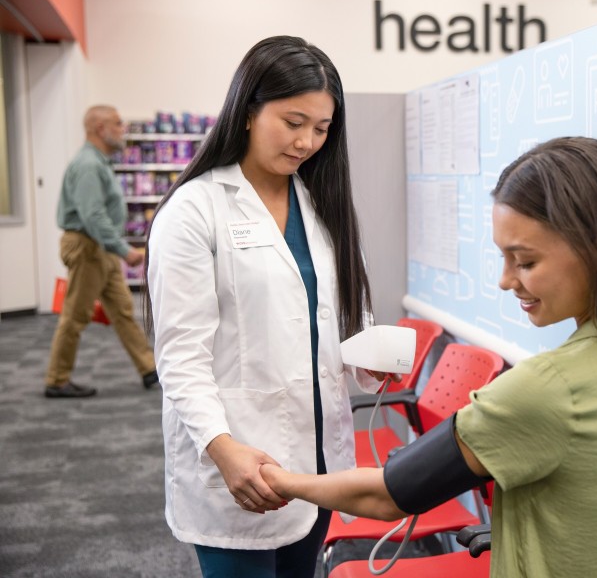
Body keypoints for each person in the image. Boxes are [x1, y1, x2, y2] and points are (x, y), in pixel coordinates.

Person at [260, 137, 597, 577]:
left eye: (526, 261)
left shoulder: (551, 388)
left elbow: (385, 496)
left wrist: (282, 480)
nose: (505, 279)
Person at [145, 36, 395, 578]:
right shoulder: (194, 212)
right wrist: (222, 447)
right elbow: (181, 358)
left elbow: (341, 318)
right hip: (239, 459)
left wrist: (365, 358)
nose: (307, 141)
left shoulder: (321, 207)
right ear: (248, 111)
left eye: (322, 129)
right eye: (293, 121)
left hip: (319, 463)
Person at [44, 105, 158, 398]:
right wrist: (125, 251)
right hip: (88, 247)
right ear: (99, 128)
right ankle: (57, 380)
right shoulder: (89, 166)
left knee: (122, 310)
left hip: (99, 248)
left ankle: (149, 368)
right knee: (76, 315)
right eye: (118, 124)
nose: (123, 129)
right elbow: (92, 215)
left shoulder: (99, 162)